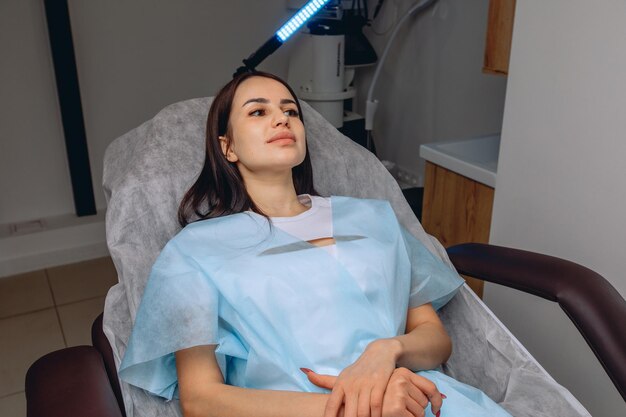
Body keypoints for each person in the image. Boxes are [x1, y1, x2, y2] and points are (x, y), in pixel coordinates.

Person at [118, 71, 512, 417]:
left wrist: (386, 351)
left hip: (413, 397)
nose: (281, 118)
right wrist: (353, 406)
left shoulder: (373, 218)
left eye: (291, 111)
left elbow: (436, 339)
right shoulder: (195, 251)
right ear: (228, 148)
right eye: (258, 112)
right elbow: (202, 401)